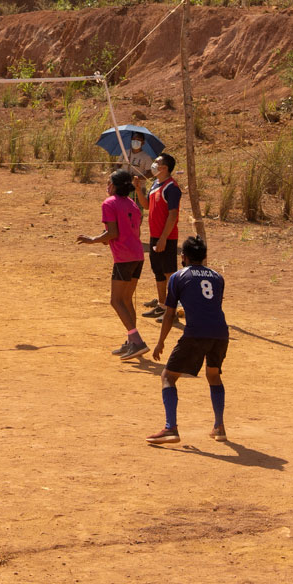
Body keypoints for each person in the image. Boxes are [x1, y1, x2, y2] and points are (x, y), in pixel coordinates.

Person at [148, 235, 229, 445]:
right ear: (204, 256)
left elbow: (169, 313)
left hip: (195, 333)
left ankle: (170, 428)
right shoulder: (218, 277)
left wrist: (160, 341)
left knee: (167, 376)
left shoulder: (178, 277)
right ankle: (219, 427)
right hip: (221, 332)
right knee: (213, 375)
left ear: (183, 256)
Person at [78, 169, 148, 358]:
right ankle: (131, 342)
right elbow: (129, 231)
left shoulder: (109, 203)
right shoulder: (132, 204)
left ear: (115, 186)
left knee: (116, 301)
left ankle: (138, 341)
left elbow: (113, 233)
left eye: (109, 182)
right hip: (137, 255)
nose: (107, 186)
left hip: (124, 257)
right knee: (126, 300)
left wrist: (92, 240)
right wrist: (106, 238)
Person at [142, 153, 182, 319]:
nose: (154, 164)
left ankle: (172, 309)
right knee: (158, 271)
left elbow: (173, 215)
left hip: (167, 237)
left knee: (169, 272)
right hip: (154, 234)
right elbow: (147, 206)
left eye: (157, 162)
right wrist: (138, 189)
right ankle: (162, 304)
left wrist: (164, 238)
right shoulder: (155, 184)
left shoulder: (172, 188)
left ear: (164, 167)